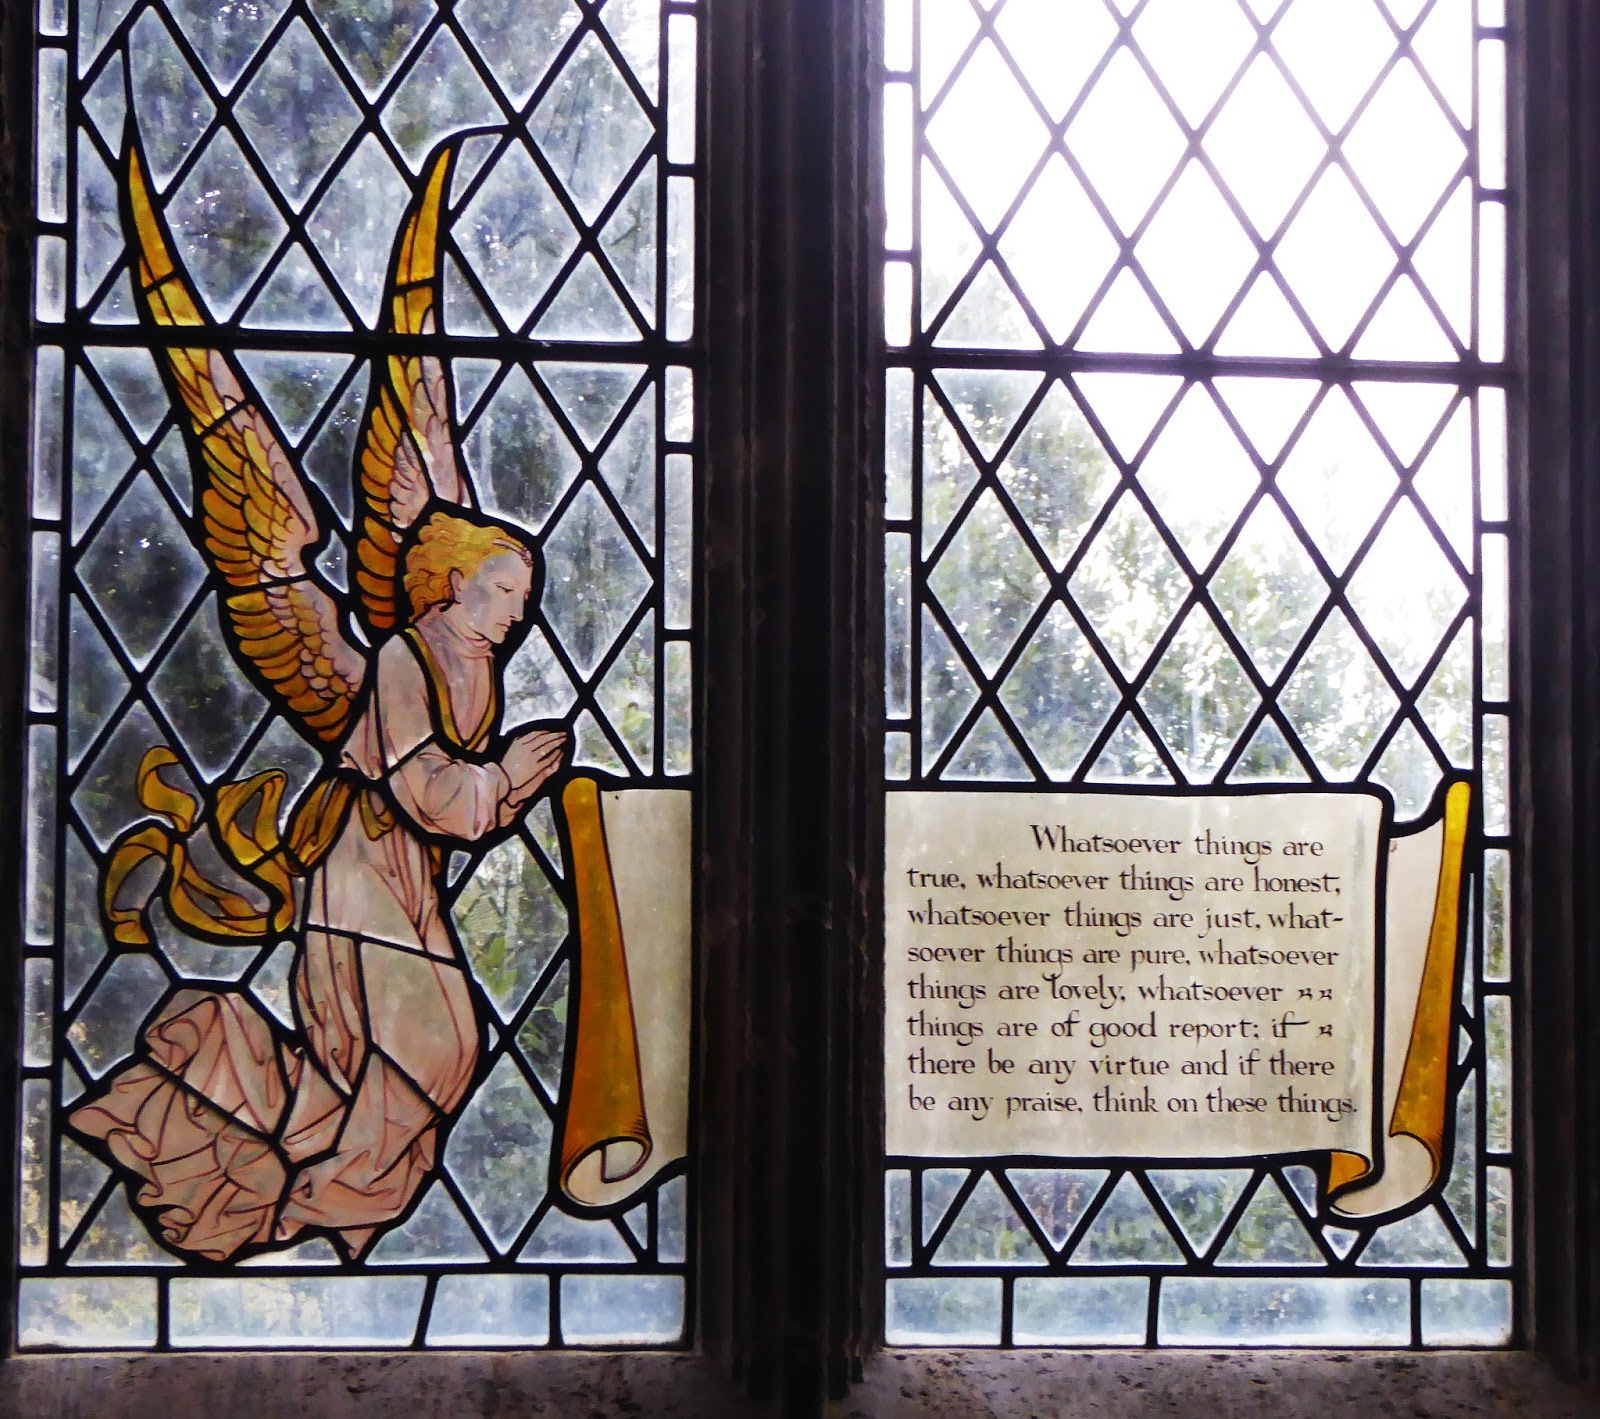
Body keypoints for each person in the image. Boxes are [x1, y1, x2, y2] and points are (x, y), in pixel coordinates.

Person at [69, 512, 568, 1262]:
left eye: (524, 599)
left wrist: (510, 783)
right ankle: (305, 1195)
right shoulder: (406, 654)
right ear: (452, 582)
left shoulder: (476, 662)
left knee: (366, 1066)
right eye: (503, 590)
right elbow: (422, 785)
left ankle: (257, 1167)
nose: (517, 612)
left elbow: (457, 809)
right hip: (358, 863)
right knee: (437, 1049)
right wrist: (508, 775)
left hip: (407, 869)